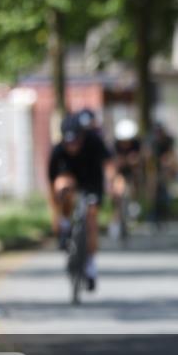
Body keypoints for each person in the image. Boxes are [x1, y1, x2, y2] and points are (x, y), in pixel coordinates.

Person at [47, 113, 111, 290]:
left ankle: (90, 265)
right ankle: (66, 224)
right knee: (62, 187)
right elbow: (52, 184)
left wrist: (112, 184)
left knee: (91, 219)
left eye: (75, 141)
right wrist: (56, 217)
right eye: (68, 143)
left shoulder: (94, 142)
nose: (72, 146)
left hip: (92, 182)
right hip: (71, 182)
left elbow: (109, 163)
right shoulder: (58, 150)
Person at [110, 118, 142, 238]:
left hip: (133, 172)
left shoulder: (136, 144)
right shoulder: (115, 146)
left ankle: (134, 203)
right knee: (119, 190)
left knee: (135, 180)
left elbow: (140, 159)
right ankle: (117, 220)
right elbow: (113, 164)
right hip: (120, 172)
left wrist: (134, 161)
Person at [148, 121, 178, 227]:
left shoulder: (168, 140)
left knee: (165, 188)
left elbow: (172, 154)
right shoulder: (152, 142)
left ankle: (165, 212)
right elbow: (148, 157)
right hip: (154, 166)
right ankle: (153, 214)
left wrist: (170, 166)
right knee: (153, 190)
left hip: (165, 167)